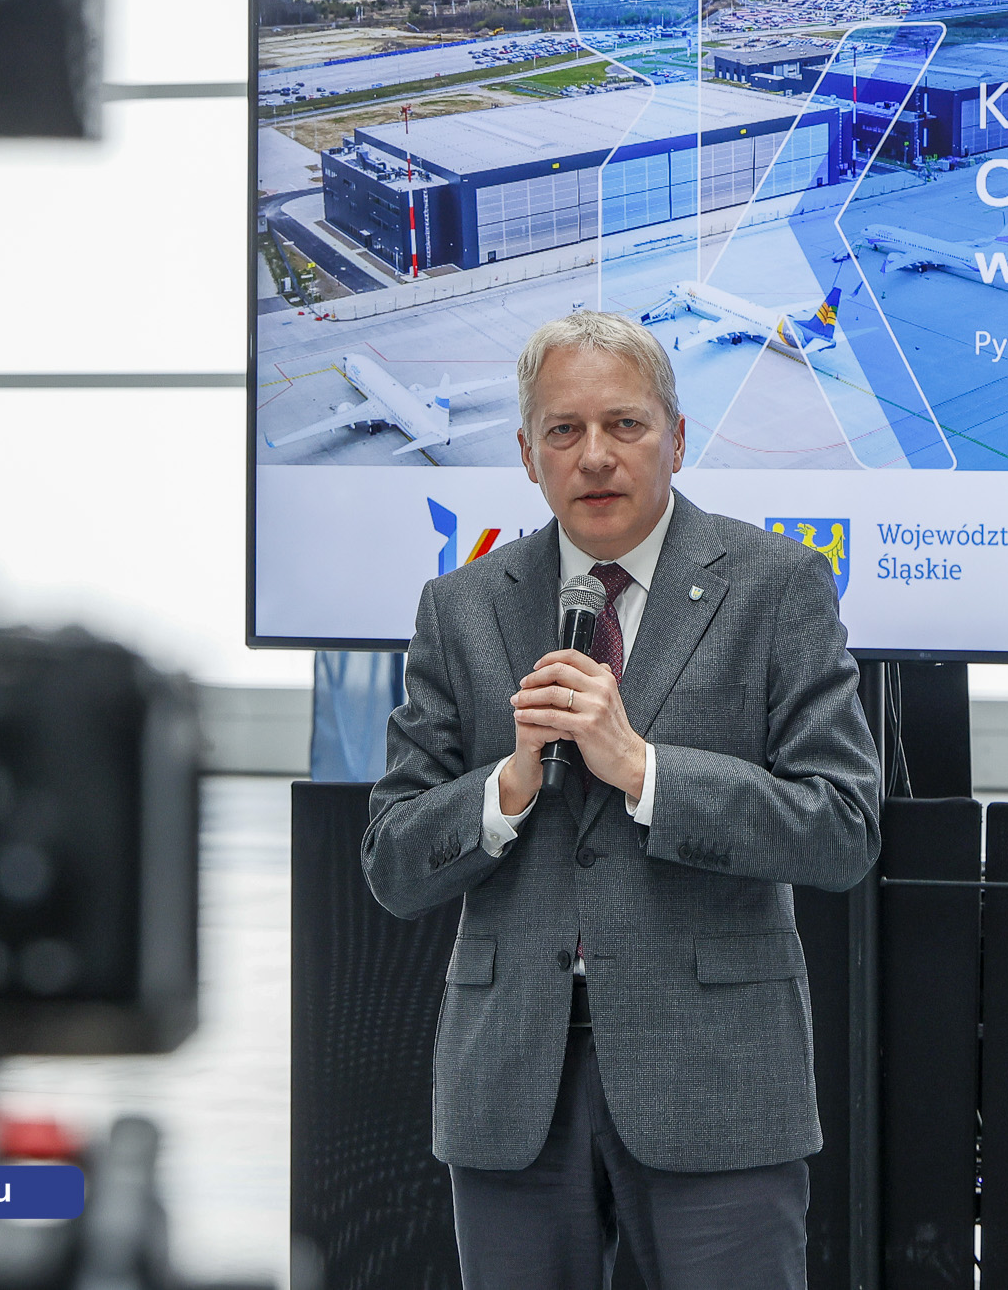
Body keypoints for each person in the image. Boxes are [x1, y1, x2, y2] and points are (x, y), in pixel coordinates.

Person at [362, 309, 883, 1289]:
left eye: (625, 425)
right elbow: (393, 861)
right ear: (527, 455)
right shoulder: (461, 606)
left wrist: (642, 769)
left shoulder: (775, 585)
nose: (594, 455)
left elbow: (841, 828)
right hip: (510, 1087)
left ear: (675, 438)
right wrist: (508, 785)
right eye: (563, 430)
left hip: (717, 1080)